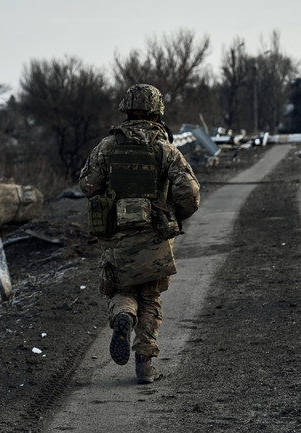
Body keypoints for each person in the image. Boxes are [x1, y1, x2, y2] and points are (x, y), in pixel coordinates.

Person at [79, 83, 200, 383]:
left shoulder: (107, 146)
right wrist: (173, 213)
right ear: (156, 110)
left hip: (116, 235)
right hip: (154, 235)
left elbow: (87, 185)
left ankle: (123, 317)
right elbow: (191, 195)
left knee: (122, 290)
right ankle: (144, 365)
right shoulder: (164, 148)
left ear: (126, 108)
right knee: (150, 296)